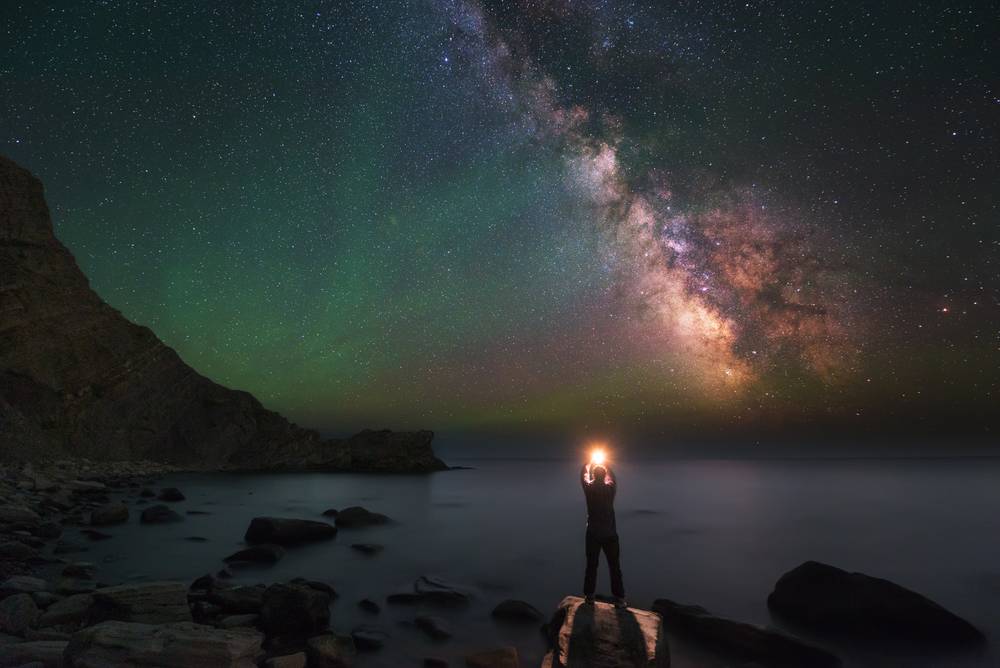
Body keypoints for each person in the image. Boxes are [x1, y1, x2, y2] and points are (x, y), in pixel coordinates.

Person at [580, 459, 626, 608]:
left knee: (591, 566)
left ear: (593, 475)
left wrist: (587, 463)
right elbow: (613, 478)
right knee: (614, 567)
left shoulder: (589, 489)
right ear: (604, 475)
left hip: (593, 534)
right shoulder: (610, 490)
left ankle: (589, 597)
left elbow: (583, 476)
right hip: (610, 535)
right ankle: (619, 599)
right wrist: (606, 464)